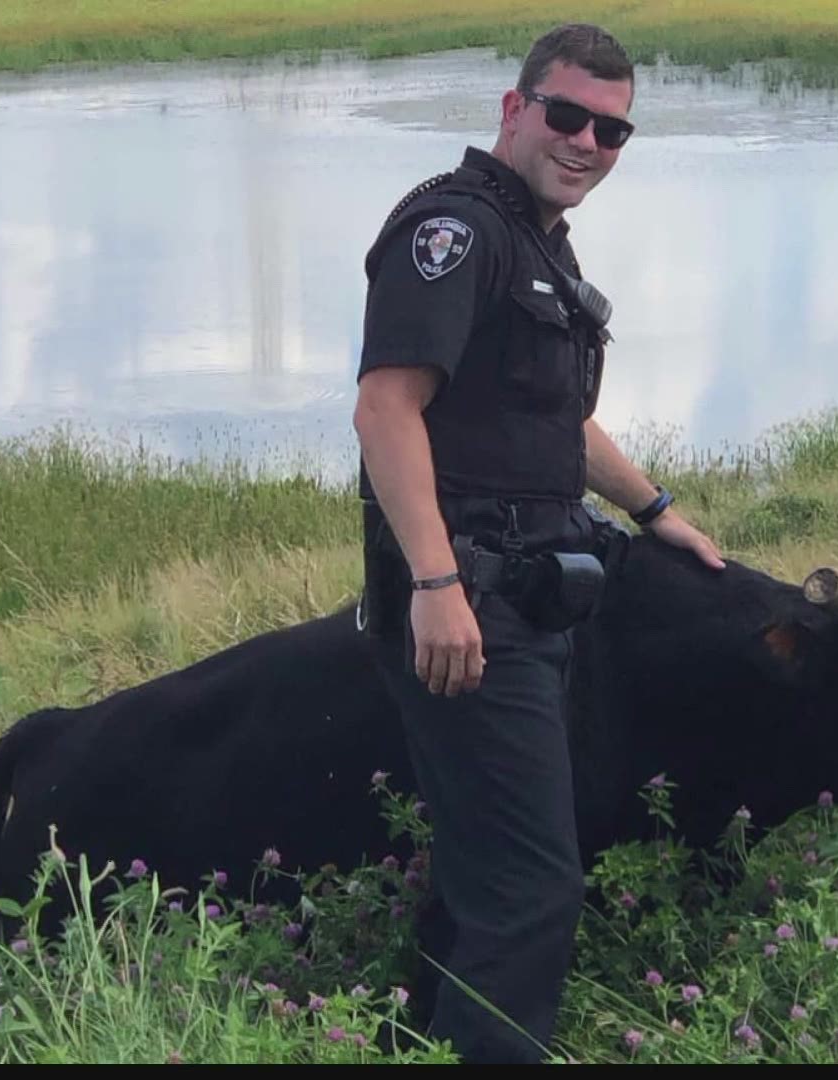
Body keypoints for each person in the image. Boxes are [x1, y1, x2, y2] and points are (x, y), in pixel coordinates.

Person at [351, 22, 724, 1064]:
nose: (588, 142)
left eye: (613, 130)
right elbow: (387, 409)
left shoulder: (540, 240)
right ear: (514, 111)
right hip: (470, 605)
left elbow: (551, 420)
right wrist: (434, 580)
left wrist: (656, 514)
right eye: (567, 116)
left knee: (488, 879)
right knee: (533, 894)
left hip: (526, 596)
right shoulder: (455, 231)